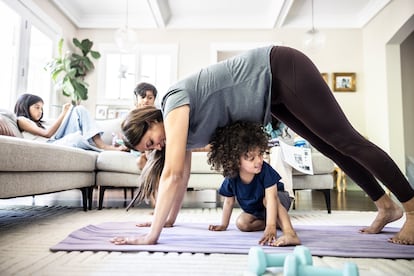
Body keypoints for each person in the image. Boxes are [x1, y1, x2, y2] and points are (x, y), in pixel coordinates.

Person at [111, 45, 414, 246]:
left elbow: (172, 174)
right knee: (331, 147)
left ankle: (412, 211)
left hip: (279, 67)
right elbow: (183, 176)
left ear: (152, 120)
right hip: (270, 94)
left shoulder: (172, 103)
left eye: (151, 140)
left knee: (346, 140)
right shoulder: (181, 132)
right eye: (148, 150)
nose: (156, 147)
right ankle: (385, 207)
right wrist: (167, 220)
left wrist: (152, 236)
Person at [207, 121, 300, 246]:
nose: (259, 161)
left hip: (278, 200)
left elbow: (272, 198)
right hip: (258, 211)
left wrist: (270, 226)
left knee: (267, 200)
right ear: (235, 161)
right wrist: (224, 225)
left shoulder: (265, 170)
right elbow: (229, 202)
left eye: (260, 154)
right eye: (251, 158)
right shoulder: (232, 177)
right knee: (242, 223)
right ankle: (277, 222)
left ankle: (290, 233)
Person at [14, 93, 126, 151]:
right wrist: (63, 113)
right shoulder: (22, 120)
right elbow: (47, 134)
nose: (40, 111)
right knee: (77, 138)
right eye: (37, 107)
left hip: (55, 140)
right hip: (49, 144)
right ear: (24, 106)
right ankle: (104, 148)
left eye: (41, 108)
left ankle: (102, 146)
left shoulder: (39, 123)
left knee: (79, 109)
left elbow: (53, 133)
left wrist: (68, 113)